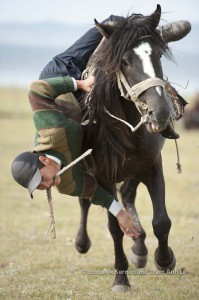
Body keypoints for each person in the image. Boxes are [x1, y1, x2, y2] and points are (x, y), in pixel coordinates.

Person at [11, 15, 191, 238]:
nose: (45, 186)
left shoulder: (51, 129)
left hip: (61, 76)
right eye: (39, 187)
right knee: (113, 71)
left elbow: (36, 90)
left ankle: (152, 34)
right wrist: (120, 213)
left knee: (108, 29)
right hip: (80, 115)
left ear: (44, 160)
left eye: (41, 179)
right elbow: (95, 192)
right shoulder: (65, 184)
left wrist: (79, 83)